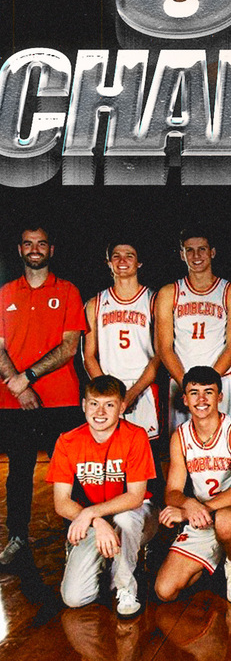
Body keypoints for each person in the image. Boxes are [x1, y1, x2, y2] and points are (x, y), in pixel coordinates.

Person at [0, 222, 86, 567]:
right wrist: (18, 387)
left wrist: (27, 378)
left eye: (41, 244)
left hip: (61, 398)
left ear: (51, 250)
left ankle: (77, 537)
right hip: (12, 400)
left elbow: (69, 347)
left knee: (70, 472)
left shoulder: (67, 291)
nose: (34, 249)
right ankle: (18, 536)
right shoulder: (5, 292)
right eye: (28, 244)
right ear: (20, 250)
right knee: (18, 471)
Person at [46, 375, 157, 616]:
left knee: (125, 519)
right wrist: (95, 521)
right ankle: (109, 565)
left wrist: (91, 513)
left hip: (137, 516)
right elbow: (61, 502)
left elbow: (135, 497)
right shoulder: (67, 441)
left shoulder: (135, 436)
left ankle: (126, 588)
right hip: (97, 523)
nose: (100, 412)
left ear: (122, 407)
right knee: (74, 598)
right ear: (84, 405)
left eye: (109, 404)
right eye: (94, 403)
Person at [154, 366, 231, 603]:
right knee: (165, 590)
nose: (201, 399)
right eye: (194, 392)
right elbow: (172, 492)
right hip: (202, 517)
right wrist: (189, 504)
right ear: (185, 399)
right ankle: (217, 560)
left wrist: (196, 510)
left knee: (225, 521)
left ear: (220, 397)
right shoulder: (180, 436)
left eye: (208, 392)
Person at [154, 227, 231, 431]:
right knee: (181, 446)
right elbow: (165, 348)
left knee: (226, 446)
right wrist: (189, 388)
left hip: (221, 380)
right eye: (189, 250)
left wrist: (207, 387)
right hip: (181, 379)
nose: (196, 256)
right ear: (181, 254)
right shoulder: (169, 293)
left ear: (212, 252)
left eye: (202, 249)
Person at [83, 240, 160, 441]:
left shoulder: (153, 300)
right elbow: (89, 355)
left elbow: (159, 355)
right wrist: (108, 395)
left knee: (146, 456)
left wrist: (132, 393)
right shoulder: (95, 303)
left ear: (139, 262)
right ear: (108, 262)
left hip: (143, 390)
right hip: (108, 391)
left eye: (129, 255)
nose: (122, 260)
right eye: (116, 256)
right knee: (111, 456)